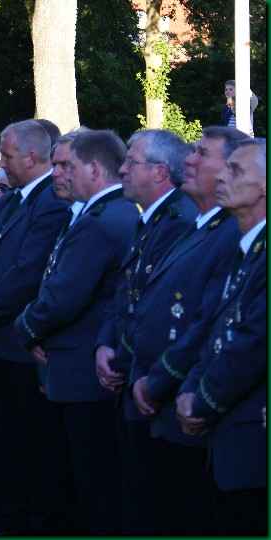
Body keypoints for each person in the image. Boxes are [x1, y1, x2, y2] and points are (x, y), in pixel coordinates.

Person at [14, 129, 138, 534]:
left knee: (91, 476)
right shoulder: (99, 214)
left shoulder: (102, 221)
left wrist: (25, 328)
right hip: (75, 361)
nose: (58, 173)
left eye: (67, 165)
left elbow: (64, 295)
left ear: (95, 170)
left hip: (83, 367)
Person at [127, 127, 249, 534]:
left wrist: (161, 382)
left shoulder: (231, 234)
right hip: (161, 394)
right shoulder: (201, 226)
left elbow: (209, 324)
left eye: (202, 153)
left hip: (185, 400)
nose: (189, 160)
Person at [0, 120, 69, 533]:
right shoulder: (9, 201)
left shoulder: (50, 202)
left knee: (27, 436)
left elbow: (29, 269)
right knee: (3, 431)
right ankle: (5, 511)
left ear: (31, 157)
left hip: (18, 336)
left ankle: (27, 517)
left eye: (6, 155)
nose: (1, 164)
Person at [94, 129, 198, 533]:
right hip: (131, 370)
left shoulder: (178, 221)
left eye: (131, 162)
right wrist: (105, 344)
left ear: (159, 172)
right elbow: (124, 292)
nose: (121, 169)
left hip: (152, 378)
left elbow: (159, 308)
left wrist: (120, 356)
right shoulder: (152, 218)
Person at [175, 139, 266, 535]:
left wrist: (201, 401)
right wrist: (189, 389)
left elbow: (252, 344)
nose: (222, 177)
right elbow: (214, 328)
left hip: (252, 438)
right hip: (227, 430)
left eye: (236, 170)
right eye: (225, 167)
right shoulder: (243, 248)